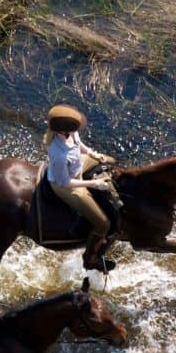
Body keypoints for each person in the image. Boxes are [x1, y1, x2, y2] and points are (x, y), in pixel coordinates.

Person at [43, 103, 118, 271]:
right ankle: (91, 258)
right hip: (67, 185)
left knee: (110, 160)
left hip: (78, 166)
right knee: (103, 223)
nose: (77, 130)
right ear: (63, 131)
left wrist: (92, 154)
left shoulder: (70, 132)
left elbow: (79, 143)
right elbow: (65, 182)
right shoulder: (59, 155)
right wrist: (94, 184)